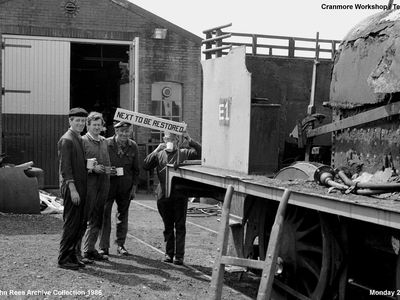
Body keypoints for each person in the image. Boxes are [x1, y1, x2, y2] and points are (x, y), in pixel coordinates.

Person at [143, 131, 201, 265]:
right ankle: (169, 253)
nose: (171, 141)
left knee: (180, 226)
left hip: (180, 195)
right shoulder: (160, 154)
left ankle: (179, 256)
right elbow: (146, 165)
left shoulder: (185, 152)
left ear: (177, 141)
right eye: (168, 138)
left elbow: (201, 152)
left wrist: (189, 139)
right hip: (163, 195)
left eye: (173, 139)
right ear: (164, 139)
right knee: (168, 226)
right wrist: (157, 149)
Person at [99, 121, 140, 256]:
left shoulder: (133, 146)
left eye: (126, 131)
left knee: (123, 216)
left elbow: (136, 169)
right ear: (116, 131)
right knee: (105, 215)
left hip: (125, 187)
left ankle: (120, 245)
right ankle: (103, 246)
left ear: (130, 132)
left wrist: (134, 187)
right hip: (108, 185)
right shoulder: (106, 143)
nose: (124, 134)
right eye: (121, 131)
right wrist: (107, 170)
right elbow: (99, 163)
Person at [57, 107, 88, 270]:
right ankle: (63, 259)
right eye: (77, 120)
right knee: (71, 223)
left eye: (83, 121)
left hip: (81, 186)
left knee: (79, 224)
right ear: (70, 121)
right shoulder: (67, 139)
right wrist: (73, 189)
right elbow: (65, 168)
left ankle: (73, 256)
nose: (81, 123)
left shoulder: (78, 138)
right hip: (72, 188)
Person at [80, 112, 110, 261]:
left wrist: (109, 169)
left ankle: (90, 249)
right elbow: (78, 163)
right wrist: (91, 168)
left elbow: (106, 160)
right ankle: (77, 252)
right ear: (88, 125)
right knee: (84, 217)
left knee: (98, 217)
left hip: (103, 184)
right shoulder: (82, 141)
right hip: (89, 184)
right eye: (94, 125)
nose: (97, 127)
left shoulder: (104, 141)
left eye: (99, 124)